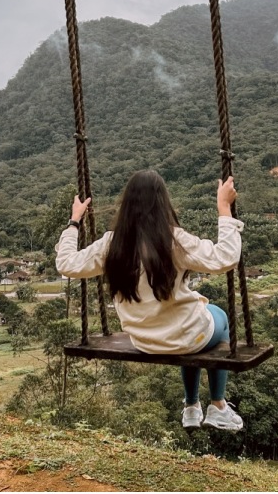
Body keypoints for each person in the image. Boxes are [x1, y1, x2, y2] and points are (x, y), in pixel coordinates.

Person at [55, 170, 244, 431]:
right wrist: (224, 208)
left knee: (193, 329)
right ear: (163, 202)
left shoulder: (112, 243)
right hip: (188, 337)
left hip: (144, 341)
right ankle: (218, 405)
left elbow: (66, 264)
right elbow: (226, 258)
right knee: (217, 317)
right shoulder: (173, 239)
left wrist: (74, 221)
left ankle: (191, 407)